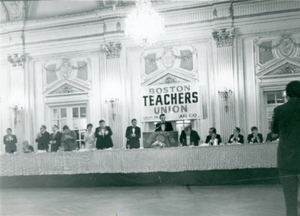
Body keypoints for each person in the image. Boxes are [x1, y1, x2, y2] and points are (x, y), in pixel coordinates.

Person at [271, 80, 300, 216]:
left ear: (287, 94)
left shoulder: (279, 110)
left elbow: (274, 132)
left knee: (290, 200)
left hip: (287, 160)